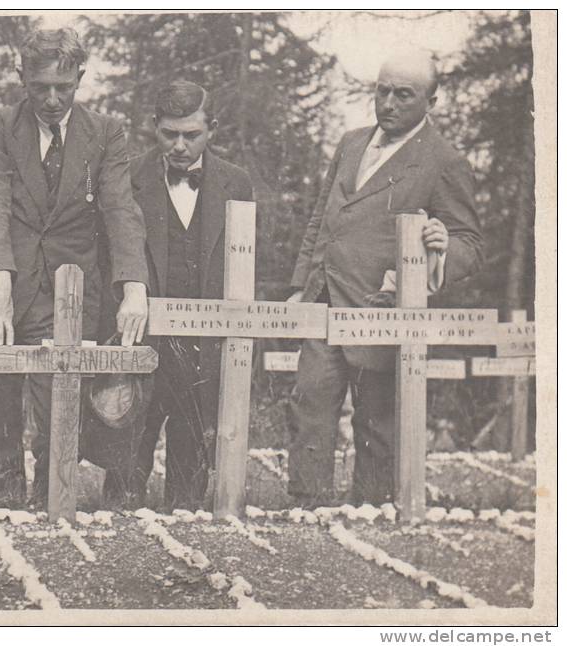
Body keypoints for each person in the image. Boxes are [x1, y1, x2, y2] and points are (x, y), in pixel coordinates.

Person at [287, 50, 483, 506]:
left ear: (431, 101)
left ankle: (372, 517)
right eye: (382, 91)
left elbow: (470, 244)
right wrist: (301, 285)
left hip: (380, 310)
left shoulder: (443, 161)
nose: (389, 103)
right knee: (308, 407)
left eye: (403, 94)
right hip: (324, 299)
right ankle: (305, 513)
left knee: (376, 421)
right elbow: (322, 218)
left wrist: (442, 244)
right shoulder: (351, 143)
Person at [0, 27, 149, 507]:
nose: (51, 99)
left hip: (68, 293)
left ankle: (53, 500)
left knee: (59, 402)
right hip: (4, 282)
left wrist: (134, 288)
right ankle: (2, 503)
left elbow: (121, 211)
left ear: (80, 79)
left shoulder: (106, 133)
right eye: (39, 86)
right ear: (21, 76)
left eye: (62, 88)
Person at [93, 80, 254, 511]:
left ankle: (185, 522)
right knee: (129, 456)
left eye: (191, 135)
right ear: (154, 127)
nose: (180, 146)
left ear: (212, 129)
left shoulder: (237, 184)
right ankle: (120, 531)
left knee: (190, 467)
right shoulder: (127, 178)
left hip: (203, 349)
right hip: (141, 340)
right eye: (169, 134)